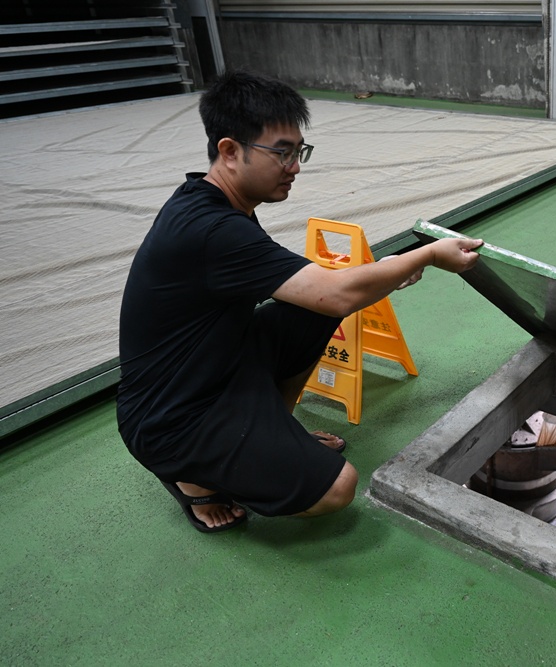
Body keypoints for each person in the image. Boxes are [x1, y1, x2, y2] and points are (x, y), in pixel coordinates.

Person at [116, 70, 482, 533]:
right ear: (230, 151)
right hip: (171, 418)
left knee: (309, 310)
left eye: (298, 152)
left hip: (215, 371)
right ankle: (190, 479)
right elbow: (334, 293)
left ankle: (274, 432)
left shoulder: (217, 204)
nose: (295, 166)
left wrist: (390, 272)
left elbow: (324, 292)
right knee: (337, 488)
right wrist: (425, 254)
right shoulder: (214, 229)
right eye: (282, 153)